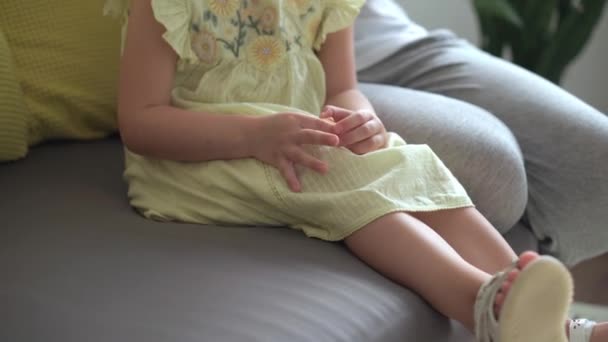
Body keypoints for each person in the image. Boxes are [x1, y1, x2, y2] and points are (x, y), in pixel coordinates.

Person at [105, 0, 605, 341]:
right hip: (196, 160)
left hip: (291, 139)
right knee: (346, 183)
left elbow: (342, 88)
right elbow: (141, 123)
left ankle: (543, 320)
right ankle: (483, 306)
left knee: (410, 163)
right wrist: (252, 136)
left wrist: (362, 121)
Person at [353, 0, 608, 268]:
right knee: (494, 175)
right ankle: (511, 289)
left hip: (390, 37)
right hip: (314, 70)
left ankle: (531, 291)